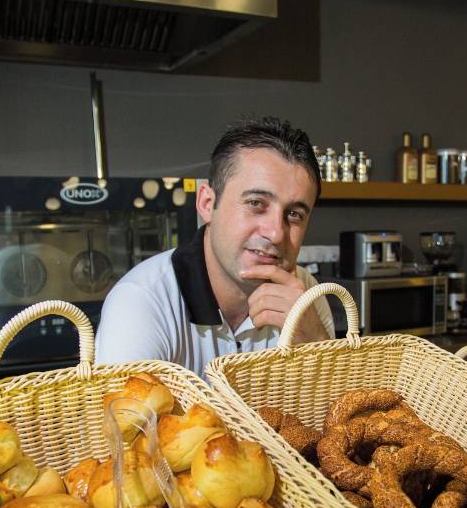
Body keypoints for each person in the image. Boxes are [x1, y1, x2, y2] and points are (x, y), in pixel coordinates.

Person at [94, 116, 334, 378]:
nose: (276, 233)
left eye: (294, 214)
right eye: (256, 203)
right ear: (207, 204)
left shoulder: (305, 295)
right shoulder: (142, 301)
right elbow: (128, 406)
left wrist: (316, 340)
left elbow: (339, 403)